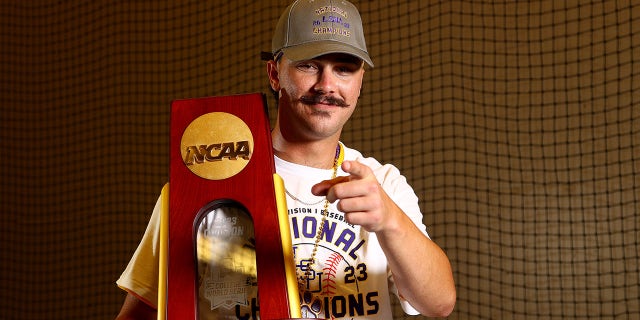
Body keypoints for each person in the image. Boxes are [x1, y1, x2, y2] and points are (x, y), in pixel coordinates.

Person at [115, 0, 456, 319]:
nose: (327, 85)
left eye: (344, 69)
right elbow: (140, 312)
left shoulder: (383, 184)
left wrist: (390, 221)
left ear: (360, 82)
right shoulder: (206, 179)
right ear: (275, 74)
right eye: (309, 65)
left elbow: (439, 303)